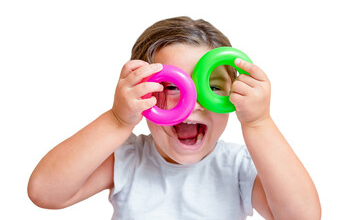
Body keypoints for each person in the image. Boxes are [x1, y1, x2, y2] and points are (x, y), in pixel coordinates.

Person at [28, 16, 321, 219]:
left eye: (212, 86)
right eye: (171, 86)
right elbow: (45, 193)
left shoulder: (237, 167)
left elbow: (302, 217)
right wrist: (118, 119)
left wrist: (259, 123)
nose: (190, 103)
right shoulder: (127, 158)